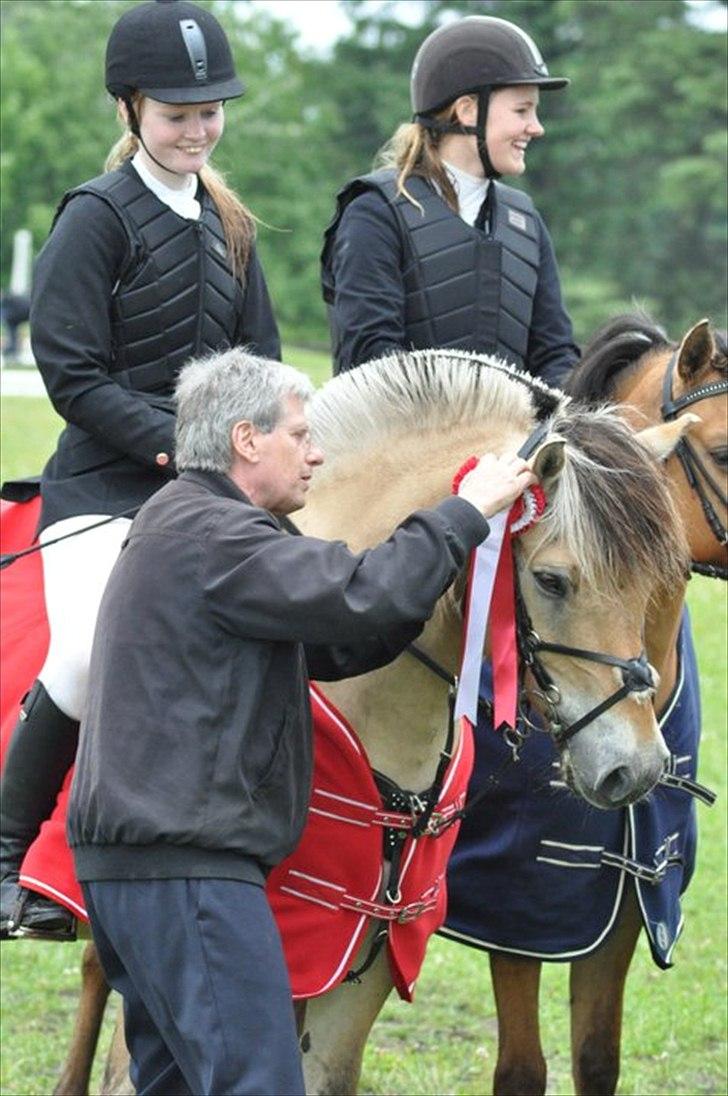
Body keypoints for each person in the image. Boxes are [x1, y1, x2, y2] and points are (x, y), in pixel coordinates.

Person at [66, 347, 535, 1096]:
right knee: (260, 1083)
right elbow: (364, 593)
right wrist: (464, 512)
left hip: (147, 870)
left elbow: (344, 638)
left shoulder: (194, 527)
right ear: (246, 440)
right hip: (186, 871)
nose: (317, 453)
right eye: (299, 435)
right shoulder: (215, 535)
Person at [0, 0, 280, 939]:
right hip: (102, 489)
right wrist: (183, 448)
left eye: (211, 111)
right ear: (129, 109)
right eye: (176, 114)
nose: (197, 129)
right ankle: (9, 860)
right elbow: (71, 375)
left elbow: (264, 368)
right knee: (86, 654)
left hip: (209, 492)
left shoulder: (233, 226)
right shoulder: (94, 216)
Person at [321, 14, 579, 387]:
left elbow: (555, 355)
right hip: (402, 440)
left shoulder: (526, 221)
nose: (536, 127)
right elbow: (371, 358)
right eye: (522, 110)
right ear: (468, 110)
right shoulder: (374, 212)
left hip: (511, 442)